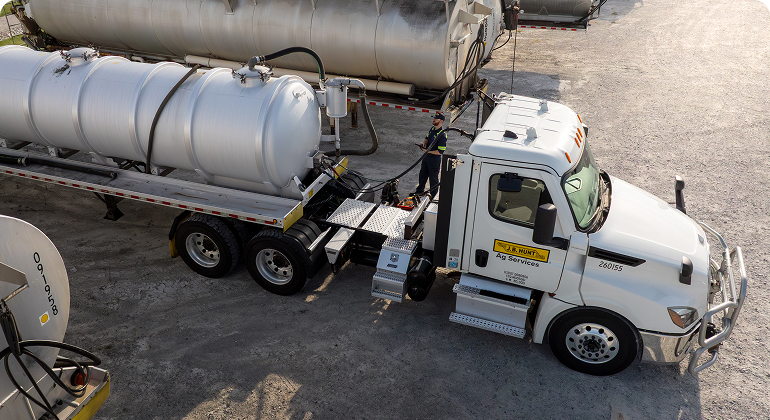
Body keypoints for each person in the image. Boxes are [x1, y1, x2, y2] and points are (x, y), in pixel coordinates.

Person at [415, 112, 447, 196]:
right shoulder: (432, 129)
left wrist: (427, 151)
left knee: (433, 178)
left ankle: (434, 196)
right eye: (434, 118)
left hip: (434, 159)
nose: (434, 120)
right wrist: (424, 144)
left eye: (436, 119)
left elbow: (440, 152)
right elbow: (427, 137)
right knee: (423, 174)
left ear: (441, 121)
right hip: (427, 157)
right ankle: (419, 191)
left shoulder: (442, 135)